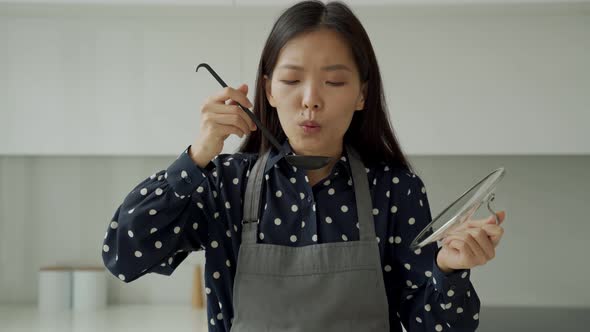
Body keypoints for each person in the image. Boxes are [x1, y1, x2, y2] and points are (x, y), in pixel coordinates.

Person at [102, 1, 506, 331]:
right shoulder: (226, 184)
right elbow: (123, 256)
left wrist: (449, 270)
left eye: (334, 83)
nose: (311, 99)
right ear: (268, 91)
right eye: (292, 80)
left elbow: (434, 326)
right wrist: (195, 157)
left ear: (362, 95)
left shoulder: (396, 189)